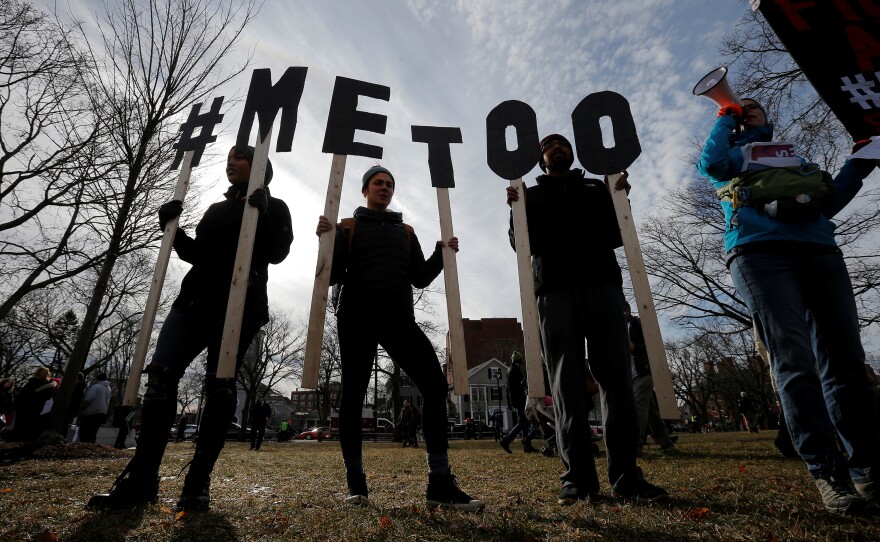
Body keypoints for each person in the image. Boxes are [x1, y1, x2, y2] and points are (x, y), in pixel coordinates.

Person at [697, 98, 880, 514]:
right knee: (795, 360)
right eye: (739, 109)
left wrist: (859, 163)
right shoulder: (729, 156)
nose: (746, 111)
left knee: (847, 362)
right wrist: (725, 115)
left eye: (752, 108)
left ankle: (869, 470)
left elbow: (825, 201)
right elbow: (708, 164)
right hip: (759, 254)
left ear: (768, 119)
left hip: (820, 251)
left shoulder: (792, 157)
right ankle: (828, 473)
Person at [89, 145, 293, 511]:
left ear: (259, 165)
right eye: (229, 158)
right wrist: (171, 226)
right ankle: (142, 479)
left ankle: (197, 483)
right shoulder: (216, 209)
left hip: (240, 302)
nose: (231, 163)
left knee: (220, 384)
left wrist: (262, 214)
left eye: (240, 158)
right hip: (194, 301)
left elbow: (278, 253)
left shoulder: (274, 206)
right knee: (161, 378)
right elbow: (197, 253)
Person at [506, 133, 668, 505]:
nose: (556, 149)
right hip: (554, 291)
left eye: (561, 144)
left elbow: (617, 233)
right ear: (541, 159)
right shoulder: (529, 194)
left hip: (601, 285)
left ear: (571, 152)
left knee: (616, 380)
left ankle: (627, 477)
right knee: (565, 384)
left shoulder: (596, 187)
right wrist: (514, 211)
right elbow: (520, 244)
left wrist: (621, 196)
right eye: (548, 147)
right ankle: (577, 478)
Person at [315, 165, 483, 511]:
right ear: (366, 189)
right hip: (357, 316)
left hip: (398, 318)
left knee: (436, 387)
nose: (385, 187)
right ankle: (356, 484)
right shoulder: (348, 226)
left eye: (390, 184)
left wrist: (442, 252)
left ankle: (439, 483)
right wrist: (326, 239)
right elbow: (331, 276)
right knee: (354, 394)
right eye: (378, 182)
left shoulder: (405, 231)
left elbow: (419, 277)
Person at [625, 305, 676, 454]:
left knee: (637, 406)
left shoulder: (637, 324)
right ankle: (666, 443)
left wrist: (636, 348)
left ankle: (636, 444)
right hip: (631, 377)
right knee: (652, 412)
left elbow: (652, 344)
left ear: (627, 310)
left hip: (644, 373)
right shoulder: (618, 329)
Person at [498, 351, 538, 454]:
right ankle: (506, 441)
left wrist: (509, 403)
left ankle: (527, 446)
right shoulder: (515, 371)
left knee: (524, 423)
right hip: (520, 400)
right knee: (523, 423)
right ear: (520, 360)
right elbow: (522, 385)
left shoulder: (509, 370)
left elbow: (507, 389)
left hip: (515, 401)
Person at [8, 367, 57, 442]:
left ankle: (19, 439)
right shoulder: (35, 381)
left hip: (32, 406)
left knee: (26, 423)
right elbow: (23, 393)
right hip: (28, 406)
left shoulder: (46, 384)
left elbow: (47, 396)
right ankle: (18, 439)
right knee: (24, 423)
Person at [78, 373, 111, 443]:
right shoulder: (108, 388)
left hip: (91, 413)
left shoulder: (96, 387)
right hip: (102, 413)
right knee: (93, 434)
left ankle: (84, 447)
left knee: (85, 434)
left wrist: (82, 408)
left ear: (97, 379)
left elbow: (88, 399)